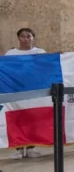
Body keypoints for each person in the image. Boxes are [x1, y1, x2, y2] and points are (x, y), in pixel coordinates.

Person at [6, 28, 46, 160]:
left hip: (34, 92)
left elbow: (47, 68)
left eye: (29, 36)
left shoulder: (40, 52)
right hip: (16, 91)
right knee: (17, 118)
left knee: (32, 120)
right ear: (18, 38)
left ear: (33, 38)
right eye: (22, 36)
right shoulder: (11, 54)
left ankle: (31, 147)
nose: (26, 39)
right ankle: (18, 147)